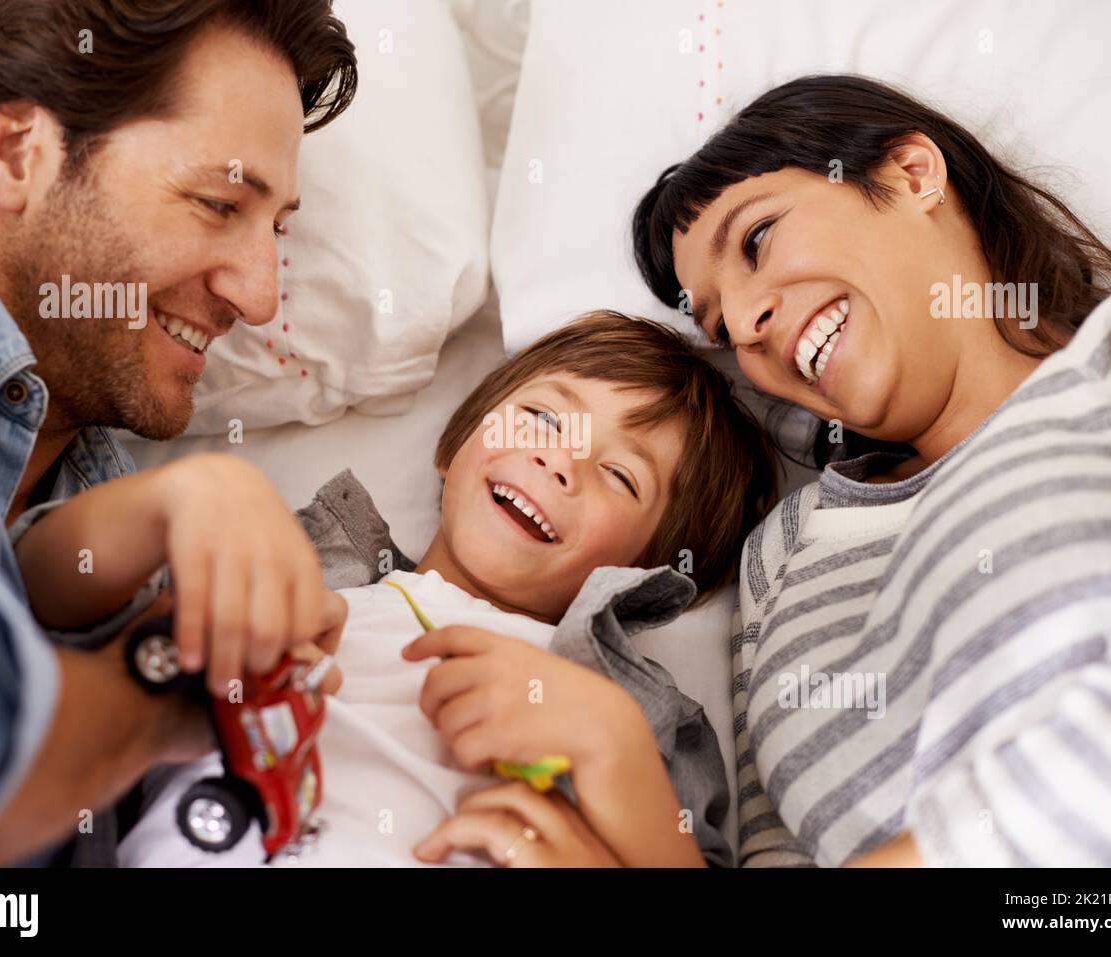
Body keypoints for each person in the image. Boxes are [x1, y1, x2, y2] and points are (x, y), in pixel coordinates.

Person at [629, 74, 1111, 866]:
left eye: (756, 240)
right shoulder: (783, 551)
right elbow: (772, 851)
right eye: (719, 321)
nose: (746, 325)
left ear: (911, 172)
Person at [0, 0, 356, 866]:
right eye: (220, 203)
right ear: (15, 154)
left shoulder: (133, 534)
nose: (261, 298)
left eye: (278, 229)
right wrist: (160, 705)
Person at [107, 312, 779, 867]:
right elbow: (77, 649)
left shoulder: (633, 711)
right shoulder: (294, 564)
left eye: (622, 476)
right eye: (544, 418)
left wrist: (621, 750)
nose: (559, 459)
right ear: (454, 446)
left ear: (646, 572)